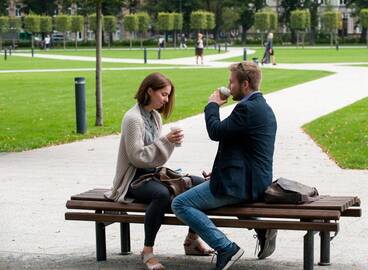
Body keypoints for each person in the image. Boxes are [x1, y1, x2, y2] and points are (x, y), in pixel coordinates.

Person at [172, 62, 278, 270]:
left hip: (243, 185)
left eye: (232, 82)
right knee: (199, 188)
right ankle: (261, 226)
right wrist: (221, 170)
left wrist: (212, 105)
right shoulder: (262, 106)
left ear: (245, 84)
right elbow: (244, 148)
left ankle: (226, 247)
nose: (229, 86)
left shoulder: (246, 108)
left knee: (180, 204)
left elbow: (217, 131)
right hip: (254, 180)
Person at [104, 72, 213, 270]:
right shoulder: (132, 119)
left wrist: (170, 142)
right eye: (163, 94)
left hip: (152, 174)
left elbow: (155, 156)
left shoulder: (154, 116)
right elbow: (137, 157)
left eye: (168, 95)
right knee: (162, 195)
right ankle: (147, 251)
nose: (166, 99)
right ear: (149, 91)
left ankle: (192, 240)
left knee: (203, 185)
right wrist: (166, 141)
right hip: (132, 179)